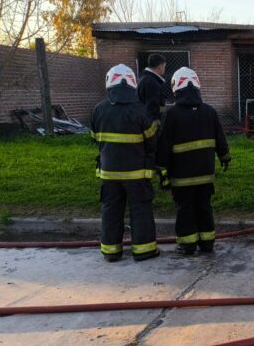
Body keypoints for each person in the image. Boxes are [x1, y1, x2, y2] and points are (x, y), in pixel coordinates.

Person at [157, 67, 231, 254]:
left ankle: (188, 245)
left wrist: (161, 169)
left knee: (185, 209)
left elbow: (164, 144)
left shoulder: (171, 114)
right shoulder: (209, 112)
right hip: (206, 175)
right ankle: (207, 244)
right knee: (204, 207)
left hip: (182, 177)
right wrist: (224, 157)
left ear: (176, 88)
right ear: (197, 86)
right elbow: (220, 139)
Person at [91, 64, 159, 262]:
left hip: (109, 174)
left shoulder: (99, 109)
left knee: (111, 211)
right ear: (132, 84)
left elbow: (95, 138)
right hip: (137, 173)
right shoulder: (140, 110)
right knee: (141, 210)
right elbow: (152, 139)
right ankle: (144, 250)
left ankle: (111, 252)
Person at [138, 53, 167, 124]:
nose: (164, 69)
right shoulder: (151, 82)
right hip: (150, 124)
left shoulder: (145, 79)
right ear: (160, 66)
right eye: (164, 66)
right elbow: (152, 108)